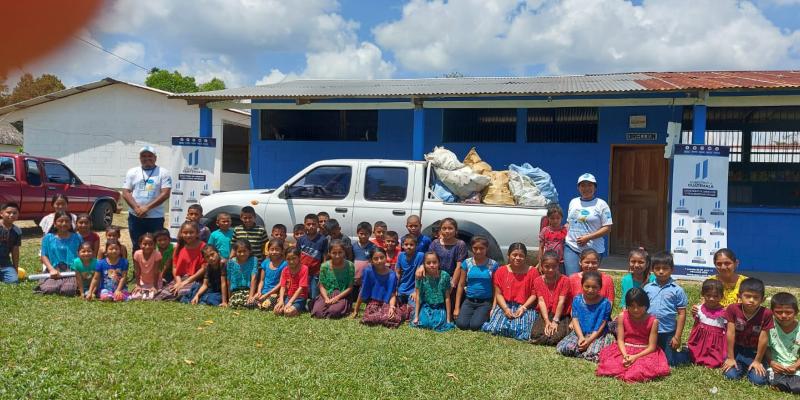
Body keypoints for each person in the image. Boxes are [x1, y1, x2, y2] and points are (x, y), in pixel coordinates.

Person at [596, 288, 670, 382]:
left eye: (639, 306)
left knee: (637, 372)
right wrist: (625, 355)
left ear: (646, 305)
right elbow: (620, 339)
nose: (636, 309)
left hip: (644, 352)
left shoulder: (653, 321)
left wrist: (635, 357)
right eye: (632, 306)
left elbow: (652, 347)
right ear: (627, 306)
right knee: (611, 365)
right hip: (624, 349)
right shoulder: (622, 316)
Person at [481, 243, 538, 341]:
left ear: (525, 257)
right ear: (508, 255)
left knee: (520, 331)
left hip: (525, 306)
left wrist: (523, 308)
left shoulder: (532, 272)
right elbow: (498, 294)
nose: (517, 258)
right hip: (505, 305)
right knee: (496, 328)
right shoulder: (501, 271)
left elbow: (534, 294)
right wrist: (506, 309)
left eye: (521, 256)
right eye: (514, 255)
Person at [721, 278, 772, 386]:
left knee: (759, 381)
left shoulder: (766, 313)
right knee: (731, 375)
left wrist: (757, 361)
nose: (751, 300)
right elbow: (730, 333)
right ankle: (738, 365)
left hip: (754, 352)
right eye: (747, 296)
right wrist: (730, 358)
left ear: (763, 299)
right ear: (739, 296)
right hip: (736, 350)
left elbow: (764, 339)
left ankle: (755, 366)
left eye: (756, 297)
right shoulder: (733, 309)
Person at [643, 252, 689, 366]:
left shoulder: (677, 290)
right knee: (649, 358)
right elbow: (642, 309)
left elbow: (682, 314)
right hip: (649, 330)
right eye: (657, 268)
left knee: (670, 362)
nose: (661, 271)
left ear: (672, 269)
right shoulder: (647, 288)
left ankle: (686, 353)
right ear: (652, 269)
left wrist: (677, 336)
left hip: (668, 331)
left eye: (665, 268)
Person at [557, 271, 614, 362]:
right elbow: (575, 319)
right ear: (582, 285)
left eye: (594, 287)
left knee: (595, 353)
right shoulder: (577, 300)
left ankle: (587, 350)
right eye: (587, 286)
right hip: (580, 333)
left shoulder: (605, 303)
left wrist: (589, 340)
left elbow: (601, 324)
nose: (590, 290)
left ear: (600, 287)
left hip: (598, 335)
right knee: (564, 348)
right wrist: (581, 337)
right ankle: (583, 350)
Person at [122, 145, 171, 251]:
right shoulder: (132, 172)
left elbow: (165, 193)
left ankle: (156, 268)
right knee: (137, 245)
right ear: (140, 158)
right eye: (143, 156)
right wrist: (136, 208)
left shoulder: (163, 172)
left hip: (155, 217)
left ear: (155, 158)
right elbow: (126, 192)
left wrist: (146, 208)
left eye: (150, 156)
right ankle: (138, 268)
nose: (146, 158)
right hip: (136, 217)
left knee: (156, 246)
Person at [564, 173, 613, 275]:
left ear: (595, 188)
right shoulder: (573, 202)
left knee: (590, 279)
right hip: (572, 246)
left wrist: (588, 237)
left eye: (590, 185)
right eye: (583, 185)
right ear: (578, 188)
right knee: (573, 278)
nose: (586, 188)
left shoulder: (601, 204)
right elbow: (569, 222)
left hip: (593, 249)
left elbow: (607, 228)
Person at [454, 236, 499, 331]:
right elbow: (461, 285)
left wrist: (494, 308)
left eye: (481, 248)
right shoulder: (467, 263)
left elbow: (496, 288)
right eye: (475, 248)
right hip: (469, 301)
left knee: (475, 325)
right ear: (471, 248)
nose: (478, 251)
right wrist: (457, 308)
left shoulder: (493, 265)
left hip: (485, 302)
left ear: (487, 249)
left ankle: (482, 315)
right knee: (461, 324)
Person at [352, 247, 403, 328]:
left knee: (393, 318)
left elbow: (392, 294)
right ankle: (382, 316)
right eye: (376, 259)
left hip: (386, 303)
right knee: (368, 318)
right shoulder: (368, 271)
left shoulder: (392, 275)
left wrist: (391, 308)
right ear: (371, 261)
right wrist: (356, 310)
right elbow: (363, 291)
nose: (379, 261)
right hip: (373, 303)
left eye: (382, 257)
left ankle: (391, 313)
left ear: (386, 258)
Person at [34, 211, 83, 295]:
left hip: (72, 270)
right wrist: (51, 269)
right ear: (55, 223)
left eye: (67, 221)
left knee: (68, 290)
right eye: (60, 221)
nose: (64, 223)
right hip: (54, 268)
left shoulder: (77, 237)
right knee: (49, 289)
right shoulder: (48, 238)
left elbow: (82, 254)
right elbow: (44, 255)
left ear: (71, 223)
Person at [155, 221, 205, 301]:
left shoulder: (203, 246)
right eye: (185, 233)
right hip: (180, 278)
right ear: (181, 233)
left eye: (191, 232)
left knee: (182, 293)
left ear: (197, 233)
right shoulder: (179, 246)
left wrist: (185, 283)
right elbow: (175, 267)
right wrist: (178, 282)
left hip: (196, 278)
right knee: (162, 294)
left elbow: (203, 268)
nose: (188, 235)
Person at [530, 251, 572, 345]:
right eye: (547, 266)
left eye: (554, 267)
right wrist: (547, 321)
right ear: (541, 265)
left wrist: (555, 321)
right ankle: (544, 338)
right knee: (535, 334)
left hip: (560, 315)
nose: (550, 270)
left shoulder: (565, 280)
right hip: (546, 313)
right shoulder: (538, 281)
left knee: (556, 336)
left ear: (558, 266)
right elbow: (541, 301)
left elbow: (561, 301)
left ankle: (548, 339)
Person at [686, 279, 727, 368]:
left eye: (716, 296)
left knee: (714, 360)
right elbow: (696, 324)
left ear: (722, 296)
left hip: (716, 343)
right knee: (694, 354)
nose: (712, 299)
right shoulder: (698, 308)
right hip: (700, 340)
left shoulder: (725, 313)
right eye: (708, 295)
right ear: (703, 294)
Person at [411, 252, 454, 332]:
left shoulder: (445, 276)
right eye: (428, 263)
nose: (431, 265)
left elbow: (447, 298)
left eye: (434, 262)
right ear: (424, 264)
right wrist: (416, 316)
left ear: (439, 263)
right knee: (424, 323)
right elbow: (418, 296)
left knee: (439, 323)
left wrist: (448, 319)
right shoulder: (420, 276)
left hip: (439, 307)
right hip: (426, 306)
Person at [311, 239, 355, 319]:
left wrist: (337, 298)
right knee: (318, 313)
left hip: (342, 295)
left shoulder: (350, 266)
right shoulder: (324, 266)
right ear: (329, 253)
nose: (337, 256)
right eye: (334, 253)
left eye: (340, 252)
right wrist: (326, 298)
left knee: (333, 312)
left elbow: (350, 287)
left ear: (344, 252)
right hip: (327, 293)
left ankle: (345, 307)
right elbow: (321, 285)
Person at [767, 292, 800, 394]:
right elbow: (766, 347)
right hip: (776, 367)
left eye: (788, 312)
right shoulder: (769, 327)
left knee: (796, 388)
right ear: (772, 312)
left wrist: (796, 365)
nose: (783, 315)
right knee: (777, 383)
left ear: (796, 312)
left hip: (795, 367)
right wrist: (772, 362)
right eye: (779, 312)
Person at [427, 218, 468, 295]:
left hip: (453, 279)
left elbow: (459, 267)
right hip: (436, 277)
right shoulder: (435, 243)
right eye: (444, 228)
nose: (447, 231)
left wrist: (452, 284)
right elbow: (428, 260)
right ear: (440, 230)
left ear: (456, 230)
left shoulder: (460, 244)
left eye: (450, 228)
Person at [296, 213, 327, 304]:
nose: (311, 226)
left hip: (316, 273)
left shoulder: (323, 239)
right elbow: (297, 255)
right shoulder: (301, 239)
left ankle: (313, 304)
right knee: (302, 292)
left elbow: (325, 256)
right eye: (308, 224)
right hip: (303, 272)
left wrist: (322, 270)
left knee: (314, 295)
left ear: (318, 225)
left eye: (314, 224)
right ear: (304, 225)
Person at [251, 238, 287, 311]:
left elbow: (280, 283)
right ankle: (259, 303)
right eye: (272, 249)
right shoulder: (266, 262)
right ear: (268, 250)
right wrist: (259, 292)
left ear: (282, 251)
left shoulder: (284, 264)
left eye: (277, 249)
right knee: (250, 303)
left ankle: (262, 304)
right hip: (264, 291)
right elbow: (261, 280)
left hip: (275, 293)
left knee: (265, 306)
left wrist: (266, 295)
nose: (274, 252)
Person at [274, 247, 308, 317]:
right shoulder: (285, 270)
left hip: (300, 298)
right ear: (285, 259)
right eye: (288, 259)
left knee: (288, 312)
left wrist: (290, 302)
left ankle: (301, 308)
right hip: (288, 297)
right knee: (277, 311)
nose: (291, 261)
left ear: (299, 257)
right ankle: (296, 308)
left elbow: (301, 288)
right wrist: (281, 300)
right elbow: (282, 287)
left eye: (294, 258)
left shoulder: (304, 269)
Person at [395, 235, 423, 321]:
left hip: (412, 291)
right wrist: (395, 289)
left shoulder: (420, 255)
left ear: (416, 245)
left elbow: (418, 276)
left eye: (411, 245)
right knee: (392, 306)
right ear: (402, 245)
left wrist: (415, 291)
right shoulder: (400, 255)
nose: (409, 247)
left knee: (413, 314)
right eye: (406, 244)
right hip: (401, 289)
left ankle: (406, 309)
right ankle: (404, 308)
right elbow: (398, 273)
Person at [225, 240, 258, 308]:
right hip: (236, 291)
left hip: (248, 290)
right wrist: (229, 298)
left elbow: (254, 279)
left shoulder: (254, 260)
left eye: (244, 251)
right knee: (236, 303)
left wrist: (251, 296)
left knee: (250, 303)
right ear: (235, 252)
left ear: (249, 251)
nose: (242, 254)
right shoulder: (231, 262)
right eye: (239, 252)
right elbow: (229, 281)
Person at [130, 233, 162, 300]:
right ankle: (143, 288)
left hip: (155, 281)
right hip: (143, 281)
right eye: (144, 244)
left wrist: (154, 286)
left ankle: (152, 288)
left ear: (155, 245)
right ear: (140, 244)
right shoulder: (137, 254)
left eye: (150, 244)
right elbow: (137, 271)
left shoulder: (157, 254)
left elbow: (156, 271)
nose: (147, 246)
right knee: (136, 296)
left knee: (150, 297)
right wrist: (138, 285)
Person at [538, 205, 567, 270]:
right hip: (548, 261)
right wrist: (540, 263)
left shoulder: (565, 230)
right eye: (552, 218)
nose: (555, 221)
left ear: (562, 218)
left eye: (558, 218)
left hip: (561, 262)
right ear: (548, 218)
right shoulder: (545, 230)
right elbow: (541, 247)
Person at [352, 222, 376, 296]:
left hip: (366, 277)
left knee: (365, 295)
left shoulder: (373, 247)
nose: (363, 236)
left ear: (370, 234)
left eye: (366, 234)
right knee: (354, 295)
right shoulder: (353, 246)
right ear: (357, 233)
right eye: (361, 233)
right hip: (355, 277)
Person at [0, 202, 21, 284]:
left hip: (5, 264)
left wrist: (15, 268)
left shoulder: (17, 231)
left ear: (18, 215)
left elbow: (15, 251)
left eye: (14, 213)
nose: (12, 215)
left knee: (14, 281)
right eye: (8, 212)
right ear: (1, 213)